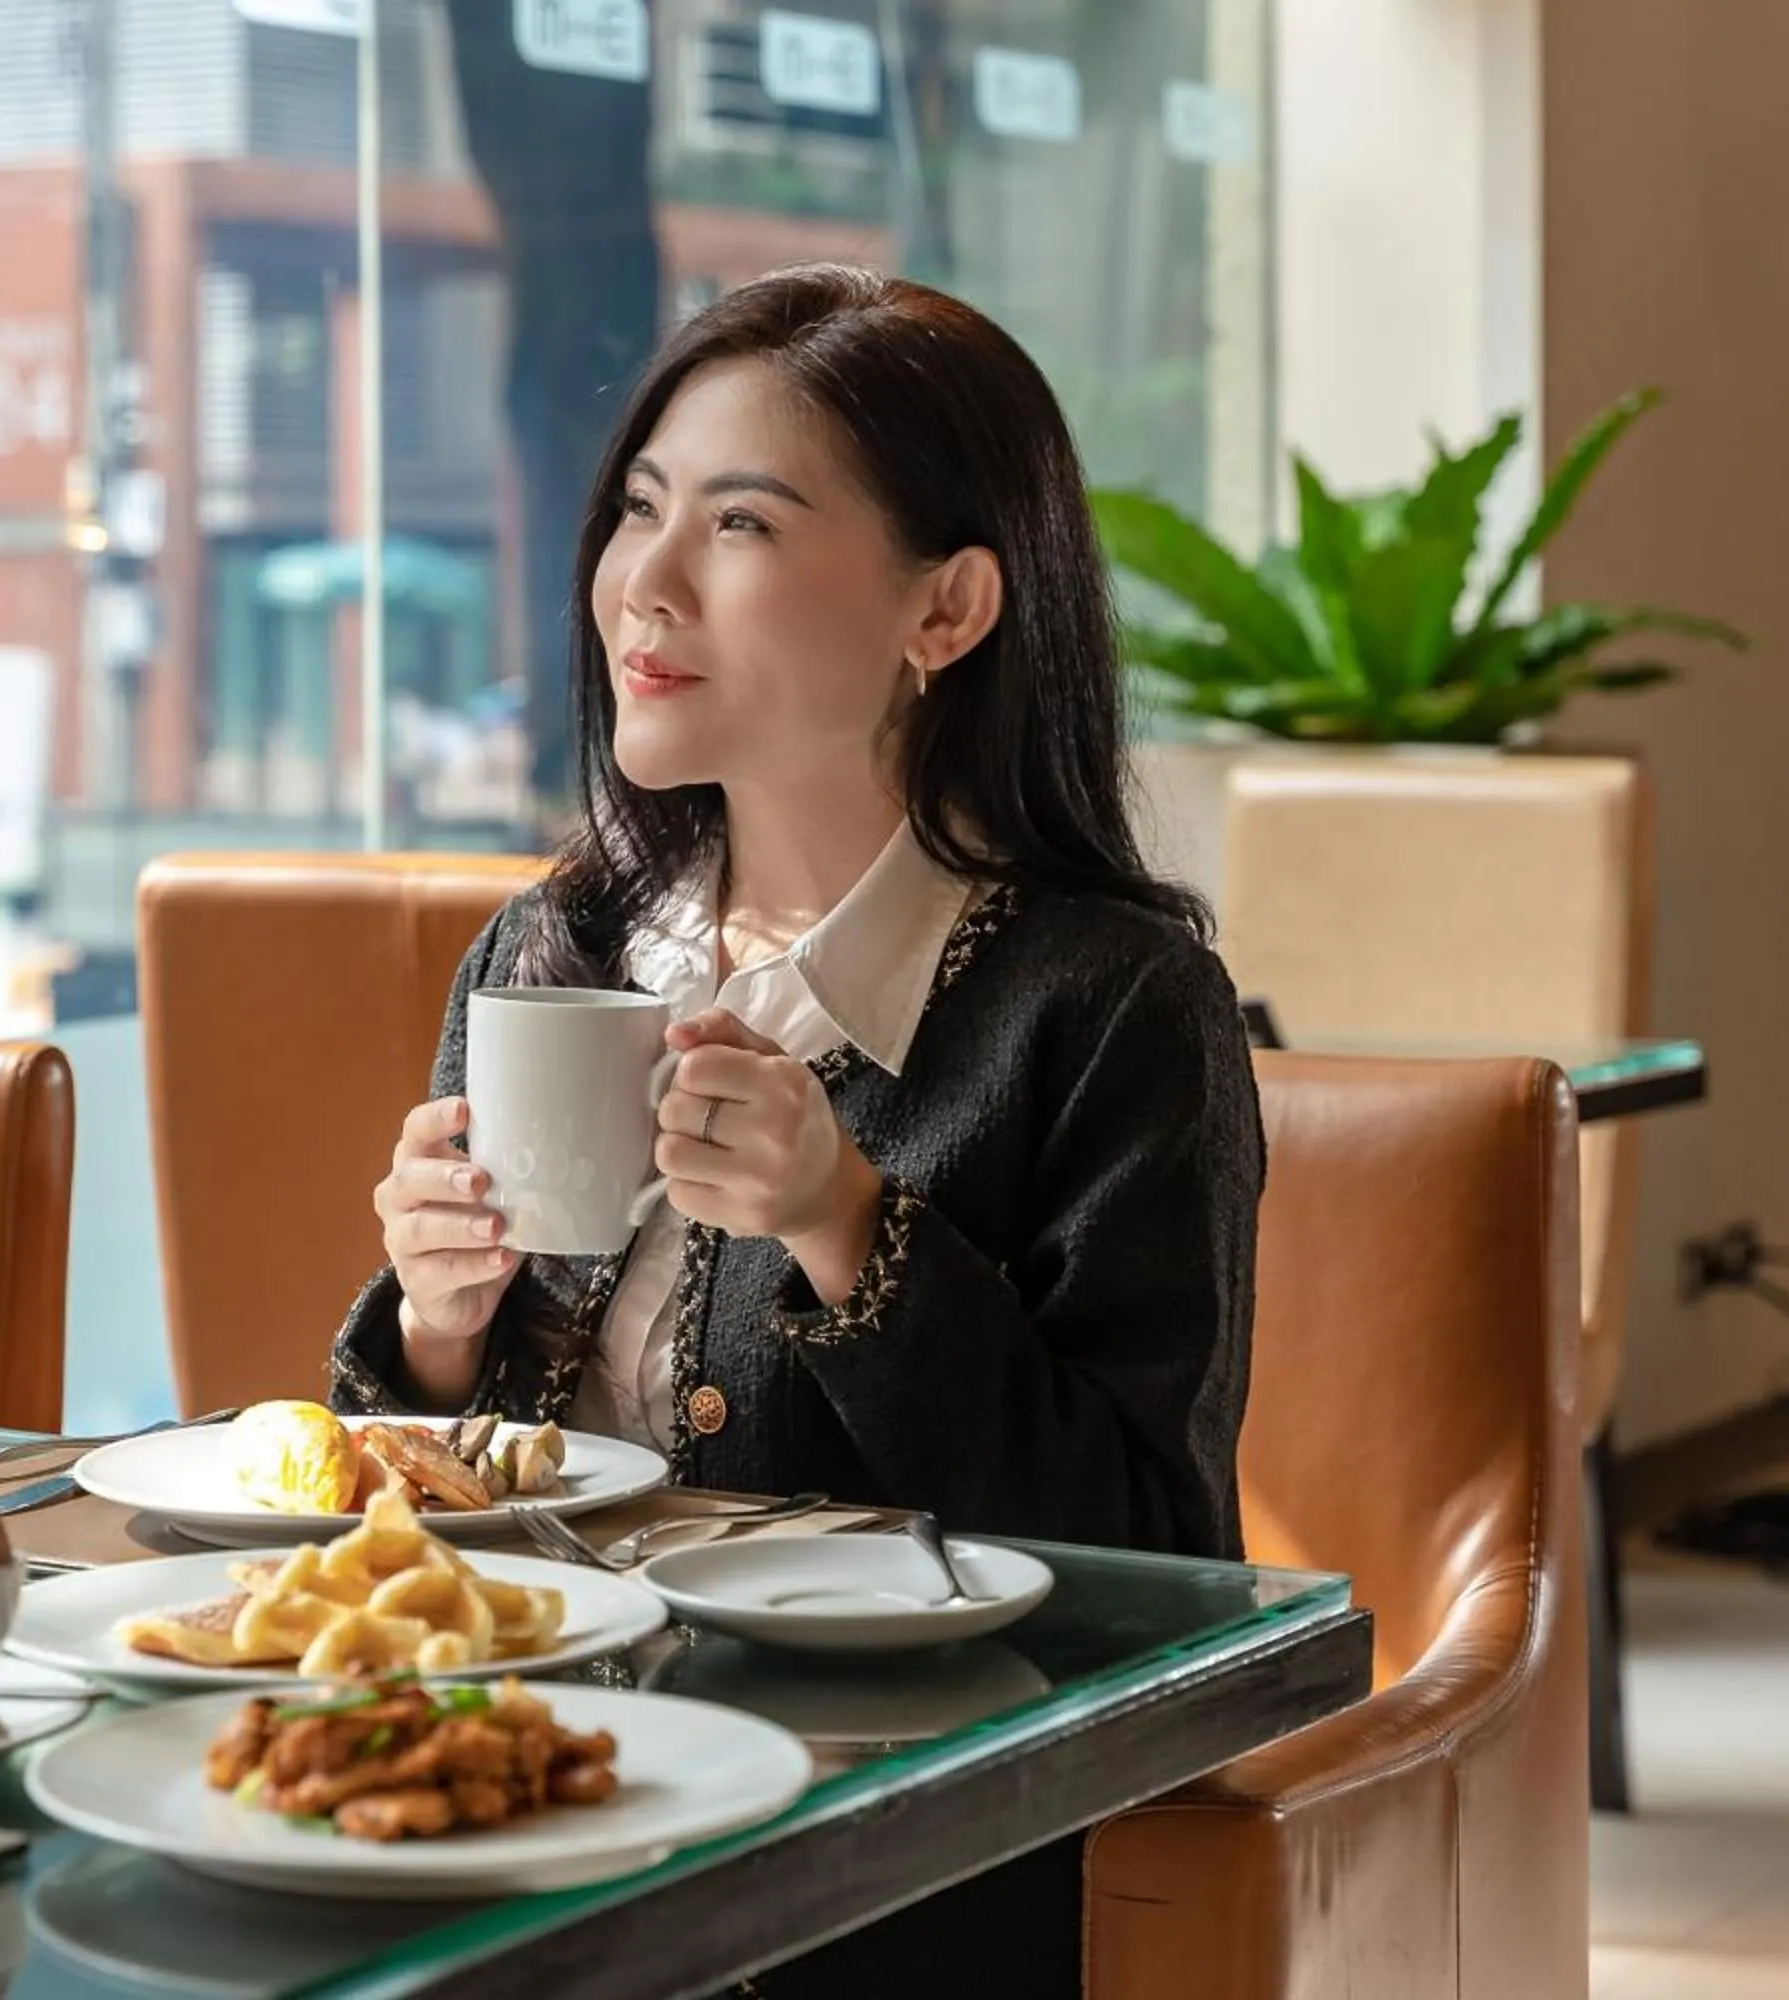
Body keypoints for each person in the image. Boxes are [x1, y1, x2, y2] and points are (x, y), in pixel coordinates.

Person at [328, 265, 1263, 1989]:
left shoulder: (1112, 1006)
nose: (647, 582)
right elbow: (419, 1512)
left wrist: (848, 1223)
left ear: (948, 608)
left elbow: (1148, 1562)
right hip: (520, 1789)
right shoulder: (558, 946)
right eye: (640, 508)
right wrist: (437, 1327)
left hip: (887, 1863)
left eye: (741, 523)